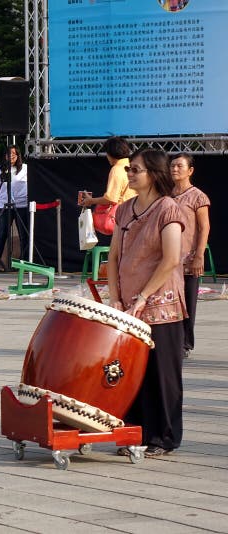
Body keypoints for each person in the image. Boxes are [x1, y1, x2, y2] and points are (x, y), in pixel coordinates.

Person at [108, 148, 185, 457]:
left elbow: (170, 259)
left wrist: (143, 297)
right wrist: (114, 296)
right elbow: (114, 256)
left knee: (161, 373)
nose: (129, 174)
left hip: (160, 305)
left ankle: (164, 437)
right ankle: (134, 432)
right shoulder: (125, 209)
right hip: (128, 305)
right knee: (130, 372)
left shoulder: (169, 208)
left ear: (153, 173)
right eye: (129, 170)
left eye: (135, 170)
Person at [170, 153, 210, 359]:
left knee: (188, 303)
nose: (174, 169)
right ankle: (171, 340)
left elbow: (204, 228)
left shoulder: (198, 197)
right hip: (168, 260)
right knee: (170, 302)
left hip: (188, 258)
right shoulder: (165, 195)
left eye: (179, 166)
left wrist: (199, 256)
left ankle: (185, 343)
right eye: (172, 166)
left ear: (190, 171)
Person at [80, 136, 137, 232]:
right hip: (136, 213)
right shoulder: (133, 166)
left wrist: (91, 201)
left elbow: (111, 198)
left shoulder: (117, 169)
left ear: (111, 153)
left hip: (123, 217)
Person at [0, 145, 28, 271]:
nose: (10, 157)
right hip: (5, 205)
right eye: (8, 154)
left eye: (13, 154)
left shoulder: (25, 168)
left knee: (23, 234)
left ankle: (24, 262)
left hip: (21, 205)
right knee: (1, 234)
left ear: (18, 156)